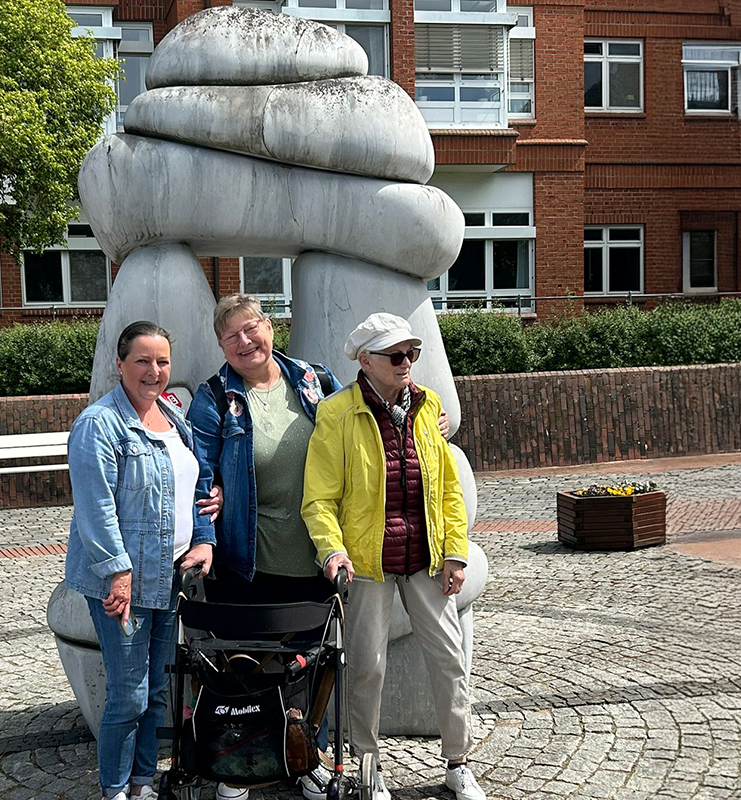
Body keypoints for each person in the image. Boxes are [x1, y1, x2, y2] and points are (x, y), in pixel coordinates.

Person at [301, 312, 486, 800]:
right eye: (396, 355)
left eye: (412, 354)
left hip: (426, 558)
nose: (407, 363)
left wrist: (456, 553)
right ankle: (369, 767)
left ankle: (458, 762)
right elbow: (318, 499)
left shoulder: (429, 407)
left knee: (450, 659)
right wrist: (332, 550)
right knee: (367, 667)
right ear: (366, 360)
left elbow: (447, 488)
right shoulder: (337, 413)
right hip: (367, 563)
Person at [187, 294, 341, 800]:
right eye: (231, 336)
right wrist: (205, 537)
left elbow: (359, 425)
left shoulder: (314, 381)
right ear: (221, 345)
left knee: (309, 665)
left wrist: (425, 423)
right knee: (244, 664)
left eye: (251, 328)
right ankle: (237, 762)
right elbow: (199, 474)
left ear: (270, 327)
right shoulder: (215, 396)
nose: (244, 341)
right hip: (246, 560)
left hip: (315, 554)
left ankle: (307, 755)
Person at [65, 321, 219, 800]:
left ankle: (142, 782)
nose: (154, 372)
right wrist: (119, 572)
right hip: (125, 583)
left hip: (169, 576)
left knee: (156, 690)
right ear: (120, 364)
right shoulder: (99, 423)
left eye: (163, 362)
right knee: (128, 692)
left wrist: (205, 529)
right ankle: (115, 789)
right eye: (143, 361)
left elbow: (196, 479)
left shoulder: (173, 414)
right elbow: (95, 507)